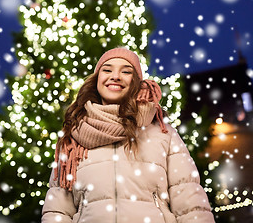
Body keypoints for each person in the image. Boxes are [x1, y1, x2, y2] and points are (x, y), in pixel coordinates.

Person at [41, 48, 215, 222]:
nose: (115, 76)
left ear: (136, 82)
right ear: (96, 80)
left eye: (126, 71)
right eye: (107, 70)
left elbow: (189, 201)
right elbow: (58, 210)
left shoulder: (163, 133)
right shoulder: (74, 137)